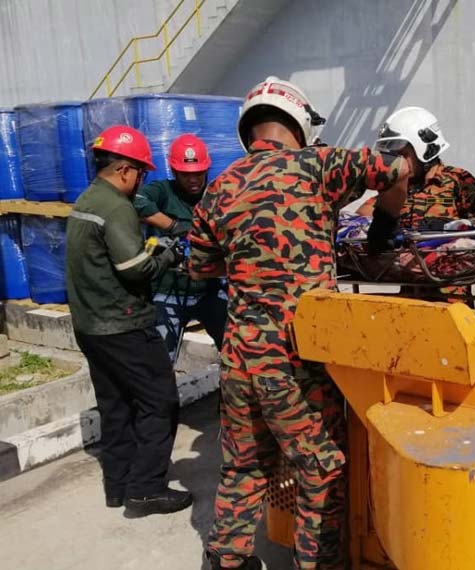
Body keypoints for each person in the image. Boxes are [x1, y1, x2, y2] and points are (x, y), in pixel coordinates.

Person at [190, 76, 411, 570]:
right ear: (301, 124)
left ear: (250, 130)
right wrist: (382, 232)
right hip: (296, 360)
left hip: (240, 355)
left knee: (244, 467)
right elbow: (400, 168)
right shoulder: (319, 164)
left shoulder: (219, 189)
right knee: (321, 470)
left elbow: (201, 269)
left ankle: (226, 560)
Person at [65, 125, 192, 516]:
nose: (141, 181)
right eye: (141, 173)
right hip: (123, 325)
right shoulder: (117, 206)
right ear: (124, 169)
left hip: (90, 326)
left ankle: (118, 485)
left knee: (116, 404)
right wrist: (168, 255)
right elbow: (135, 269)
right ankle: (146, 489)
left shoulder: (87, 199)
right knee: (161, 401)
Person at [133, 134, 226, 356]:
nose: (193, 180)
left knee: (235, 353)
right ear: (174, 172)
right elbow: (133, 200)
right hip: (168, 290)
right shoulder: (163, 191)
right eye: (185, 175)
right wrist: (173, 225)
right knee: (160, 360)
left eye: (198, 174)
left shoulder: (216, 194)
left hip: (211, 290)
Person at [357, 106, 475, 229]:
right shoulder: (396, 185)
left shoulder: (459, 181)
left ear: (425, 149)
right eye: (393, 157)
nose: (397, 163)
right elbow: (361, 215)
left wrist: (447, 227)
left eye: (402, 155)